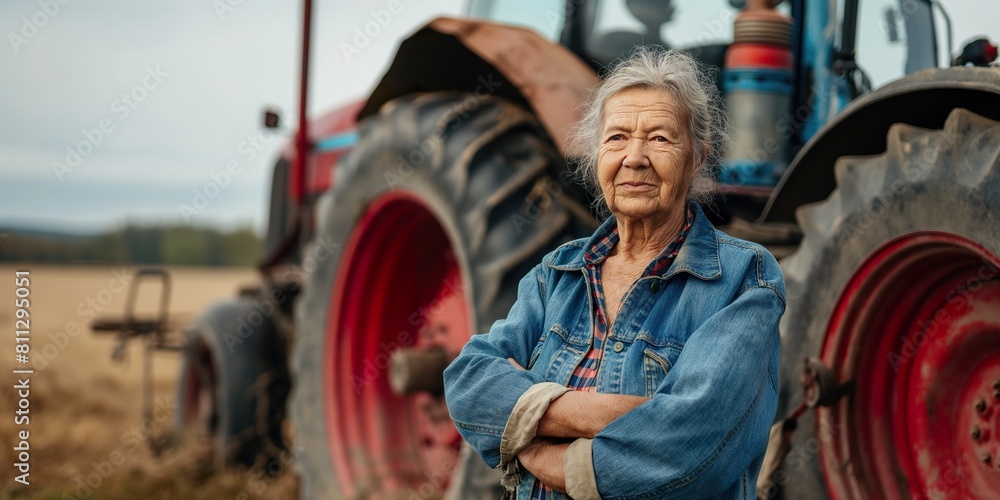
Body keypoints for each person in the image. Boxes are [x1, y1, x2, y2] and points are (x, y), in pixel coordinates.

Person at [443, 47, 785, 499]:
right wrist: (624, 413)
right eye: (617, 138)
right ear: (597, 154)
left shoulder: (744, 279)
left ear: (697, 158)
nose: (635, 157)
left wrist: (534, 441)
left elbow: (689, 444)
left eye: (661, 139)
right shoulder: (556, 275)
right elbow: (468, 382)